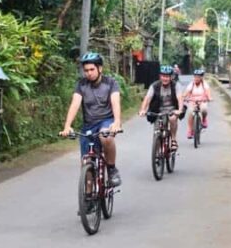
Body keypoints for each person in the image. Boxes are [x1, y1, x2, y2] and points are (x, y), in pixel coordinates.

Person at [59, 52, 123, 186]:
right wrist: (67, 126)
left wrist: (117, 122)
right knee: (86, 165)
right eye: (86, 70)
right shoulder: (81, 85)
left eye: (92, 69)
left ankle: (112, 169)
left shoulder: (111, 83)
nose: (89, 73)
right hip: (89, 125)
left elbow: (115, 102)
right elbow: (75, 104)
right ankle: (87, 198)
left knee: (106, 137)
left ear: (100, 68)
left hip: (106, 121)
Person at [138, 65, 184, 150]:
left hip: (172, 110)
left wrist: (180, 109)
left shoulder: (176, 85)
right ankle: (157, 152)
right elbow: (147, 98)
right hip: (158, 110)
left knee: (173, 119)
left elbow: (180, 98)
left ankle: (173, 140)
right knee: (157, 131)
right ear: (160, 76)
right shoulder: (154, 86)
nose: (165, 78)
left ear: (171, 77)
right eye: (163, 76)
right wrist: (143, 110)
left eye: (167, 76)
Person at [182, 68, 213, 139]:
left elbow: (208, 92)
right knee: (190, 112)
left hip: (202, 101)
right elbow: (186, 92)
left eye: (198, 77)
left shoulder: (204, 84)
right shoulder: (192, 84)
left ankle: (204, 119)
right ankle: (190, 130)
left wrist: (209, 98)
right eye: (195, 76)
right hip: (192, 101)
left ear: (201, 77)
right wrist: (183, 96)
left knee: (204, 109)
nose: (196, 78)